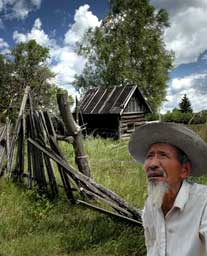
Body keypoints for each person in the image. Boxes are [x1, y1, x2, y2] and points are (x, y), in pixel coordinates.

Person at [128, 122, 207, 256]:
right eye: (149, 156)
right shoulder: (150, 205)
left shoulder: (203, 203)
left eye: (163, 155)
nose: (152, 164)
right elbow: (152, 248)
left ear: (184, 170)